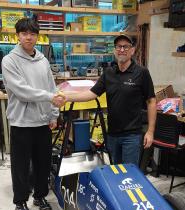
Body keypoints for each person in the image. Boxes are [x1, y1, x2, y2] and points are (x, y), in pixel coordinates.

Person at [53, 34, 157, 166]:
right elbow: (91, 94)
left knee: (128, 176)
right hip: (112, 134)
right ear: (114, 50)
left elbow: (151, 101)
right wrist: (67, 97)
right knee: (114, 172)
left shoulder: (141, 73)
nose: (122, 49)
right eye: (119, 46)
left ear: (132, 50)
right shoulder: (108, 73)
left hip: (132, 136)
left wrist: (150, 131)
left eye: (126, 46)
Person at [2, 18, 61, 210]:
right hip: (21, 122)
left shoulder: (43, 60)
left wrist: (53, 114)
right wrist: (49, 97)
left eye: (33, 33)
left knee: (42, 163)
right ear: (17, 35)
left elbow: (51, 87)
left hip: (42, 122)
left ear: (37, 36)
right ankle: (20, 201)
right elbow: (22, 91)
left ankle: (40, 196)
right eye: (24, 33)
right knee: (20, 165)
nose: (29, 37)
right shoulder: (9, 61)